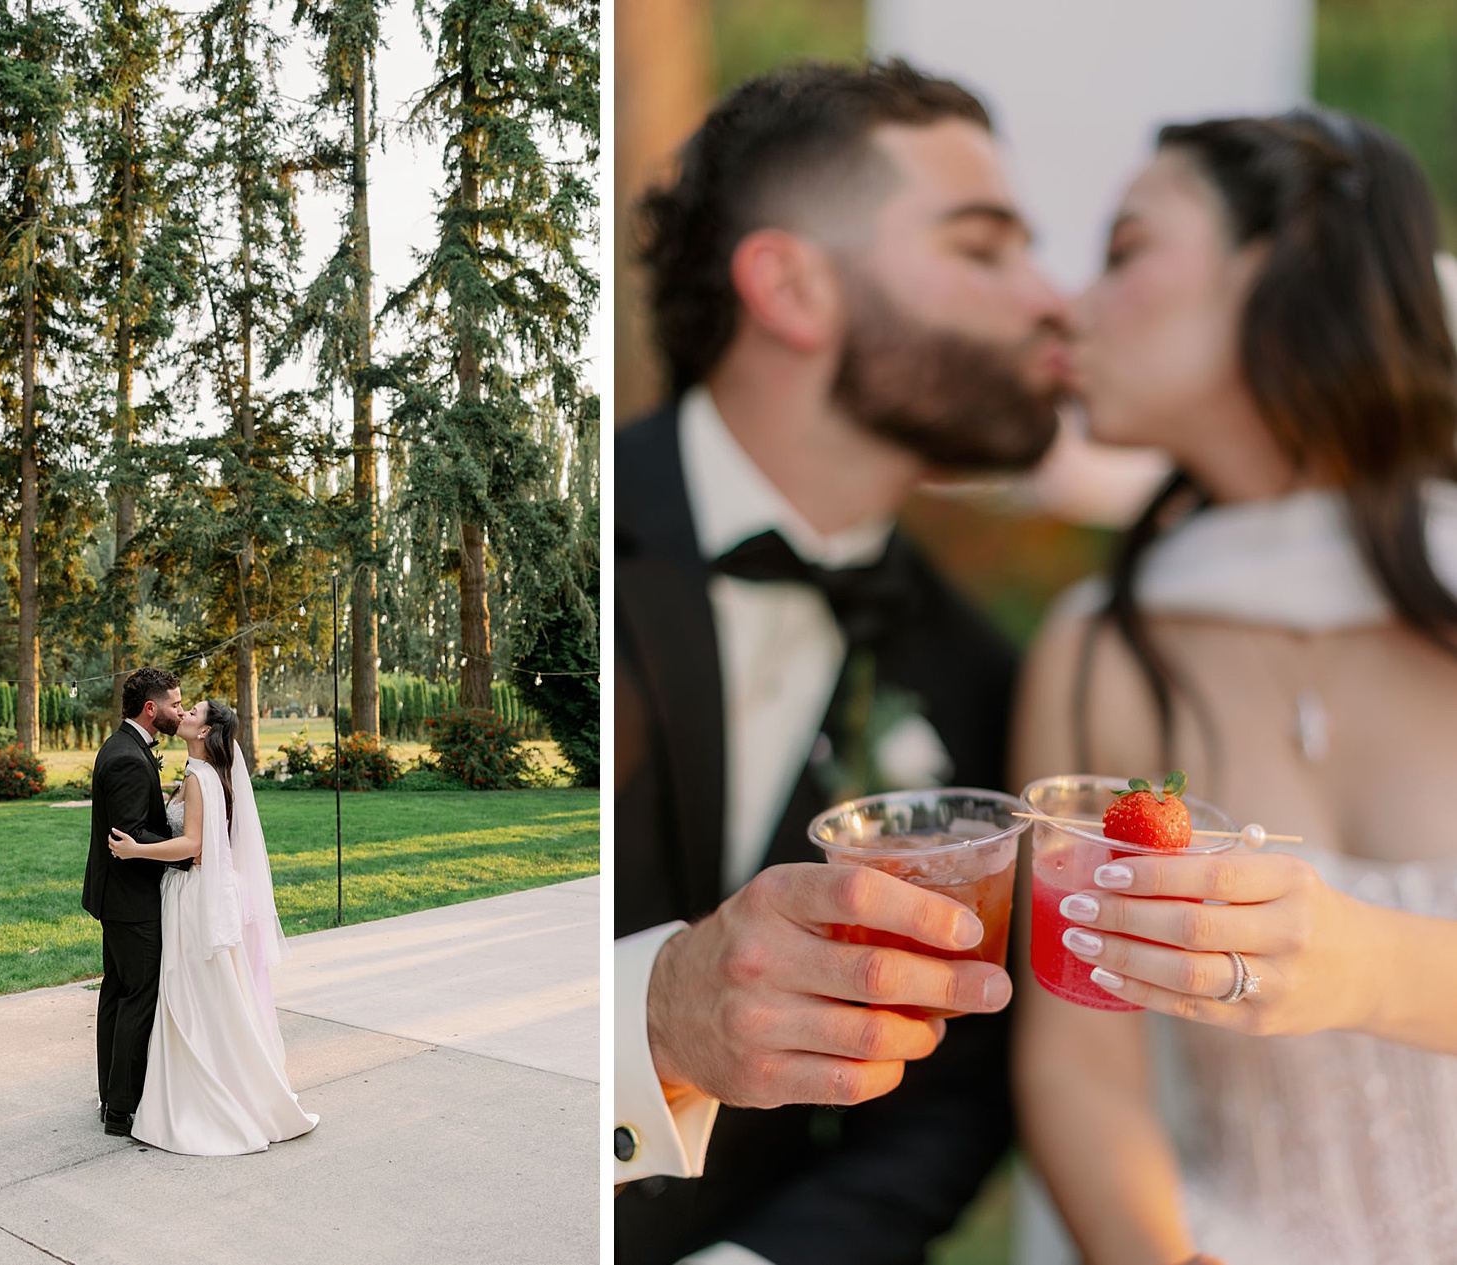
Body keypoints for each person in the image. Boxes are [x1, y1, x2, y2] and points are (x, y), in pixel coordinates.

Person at [615, 59, 1071, 1264]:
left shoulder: (983, 673)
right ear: (792, 285)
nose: (1048, 301)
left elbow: (949, 1099)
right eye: (982, 248)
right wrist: (650, 1020)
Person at [1013, 109, 1457, 1265]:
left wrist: (1365, 964)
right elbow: (1077, 1057)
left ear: (1286, 262)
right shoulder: (1098, 653)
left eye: (1124, 251)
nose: (1067, 308)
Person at [106, 699, 318, 1155]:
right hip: (197, 890)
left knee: (186, 992)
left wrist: (136, 850)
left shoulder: (199, 778)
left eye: (193, 712)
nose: (183, 714)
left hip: (192, 893)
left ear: (205, 732)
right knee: (205, 992)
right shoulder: (206, 774)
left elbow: (193, 846)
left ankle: (200, 1097)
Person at [82, 666, 186, 1137]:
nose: (179, 711)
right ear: (151, 708)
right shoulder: (127, 757)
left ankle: (111, 1096)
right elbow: (130, 835)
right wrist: (188, 851)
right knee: (137, 996)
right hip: (130, 899)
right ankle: (122, 1109)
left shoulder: (125, 746)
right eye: (175, 704)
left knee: (117, 992)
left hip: (118, 896)